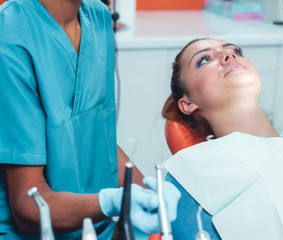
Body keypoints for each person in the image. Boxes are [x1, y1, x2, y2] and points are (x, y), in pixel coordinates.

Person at [0, 0, 180, 239]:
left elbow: (98, 138)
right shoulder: (11, 33)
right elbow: (27, 203)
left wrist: (149, 195)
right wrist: (111, 202)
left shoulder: (98, 18)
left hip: (99, 226)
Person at [161, 38, 283, 239]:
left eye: (236, 51)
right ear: (188, 103)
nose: (230, 55)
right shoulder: (194, 173)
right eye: (204, 60)